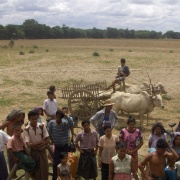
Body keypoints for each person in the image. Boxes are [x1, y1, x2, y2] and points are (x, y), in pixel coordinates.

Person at [23, 110, 50, 180]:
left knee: (44, 170)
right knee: (36, 171)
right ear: (29, 119)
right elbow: (28, 145)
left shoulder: (42, 126)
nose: (35, 121)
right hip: (34, 153)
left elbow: (48, 140)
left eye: (36, 119)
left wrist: (41, 145)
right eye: (33, 119)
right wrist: (39, 142)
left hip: (42, 151)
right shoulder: (26, 130)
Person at [48, 110, 74, 180]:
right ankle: (56, 178)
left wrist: (67, 116)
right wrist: (52, 140)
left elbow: (71, 124)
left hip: (65, 146)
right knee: (55, 163)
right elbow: (49, 133)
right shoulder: (51, 123)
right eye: (57, 117)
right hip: (57, 147)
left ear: (62, 118)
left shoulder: (65, 123)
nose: (58, 119)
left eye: (60, 118)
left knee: (67, 163)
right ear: (55, 116)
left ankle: (67, 177)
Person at [0, 108, 25, 178]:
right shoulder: (8, 122)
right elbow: (1, 129)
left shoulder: (19, 124)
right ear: (16, 116)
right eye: (21, 117)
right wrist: (3, 138)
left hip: (18, 143)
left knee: (18, 158)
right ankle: (12, 174)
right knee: (11, 160)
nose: (22, 118)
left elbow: (20, 131)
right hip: (10, 143)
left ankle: (16, 173)